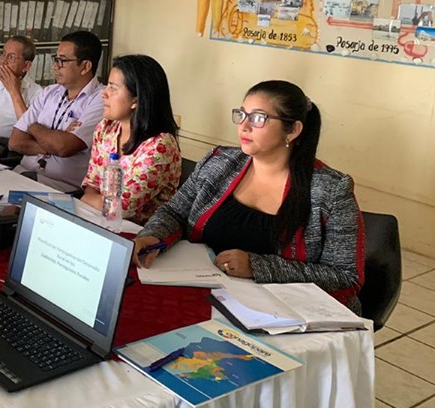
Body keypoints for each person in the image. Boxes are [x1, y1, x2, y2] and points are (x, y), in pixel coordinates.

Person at [135, 81, 364, 311]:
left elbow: (346, 277)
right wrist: (152, 236)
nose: (244, 126)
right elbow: (175, 212)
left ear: (293, 130)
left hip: (285, 313)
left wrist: (256, 266)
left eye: (258, 118)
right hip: (205, 295)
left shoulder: (331, 190)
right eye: (242, 114)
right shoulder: (219, 161)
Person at [81, 55, 181, 224]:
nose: (104, 94)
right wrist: (93, 200)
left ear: (136, 99)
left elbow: (121, 208)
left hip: (140, 233)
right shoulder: (106, 128)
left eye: (113, 88)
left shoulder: (160, 146)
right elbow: (92, 184)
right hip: (99, 221)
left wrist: (90, 200)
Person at [9, 31, 105, 191]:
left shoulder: (101, 99)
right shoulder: (49, 92)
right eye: (56, 59)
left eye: (62, 61)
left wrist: (34, 127)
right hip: (21, 174)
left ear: (85, 67)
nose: (55, 66)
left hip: (58, 188)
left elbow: (64, 147)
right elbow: (15, 142)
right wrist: (53, 142)